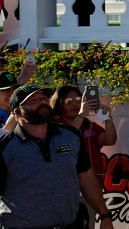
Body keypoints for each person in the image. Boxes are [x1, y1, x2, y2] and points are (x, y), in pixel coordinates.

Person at [0, 84, 113, 228]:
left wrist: (105, 215)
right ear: (17, 112)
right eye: (33, 101)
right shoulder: (5, 147)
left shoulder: (70, 136)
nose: (41, 102)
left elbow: (86, 178)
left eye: (43, 99)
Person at [50, 85, 117, 183]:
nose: (75, 104)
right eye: (69, 101)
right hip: (65, 183)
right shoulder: (52, 126)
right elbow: (67, 136)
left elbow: (110, 140)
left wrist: (107, 118)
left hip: (92, 183)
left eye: (78, 100)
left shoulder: (89, 125)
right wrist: (82, 115)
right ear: (59, 103)